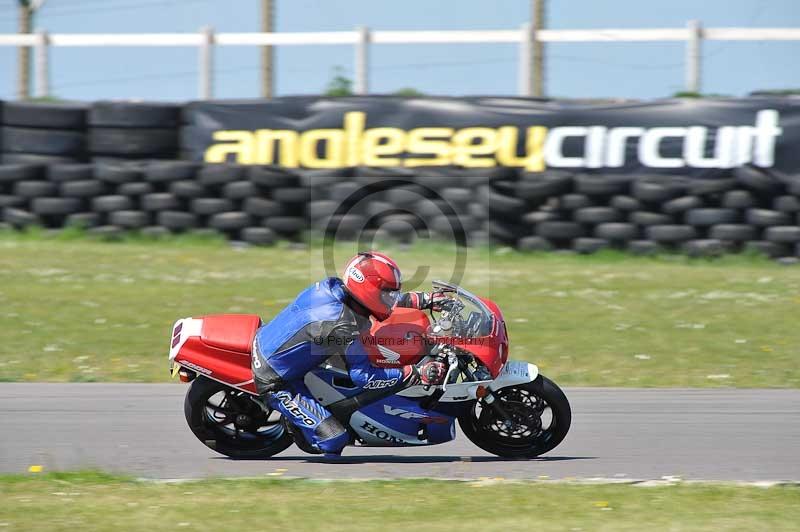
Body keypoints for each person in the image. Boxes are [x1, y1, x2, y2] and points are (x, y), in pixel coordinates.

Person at [251, 251, 447, 456]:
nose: (391, 298)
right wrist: (415, 373)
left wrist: (425, 300)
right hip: (276, 379)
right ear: (368, 291)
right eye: (387, 293)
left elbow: (375, 298)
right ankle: (298, 425)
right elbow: (364, 377)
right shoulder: (341, 326)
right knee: (334, 441)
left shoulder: (334, 287)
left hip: (274, 341)